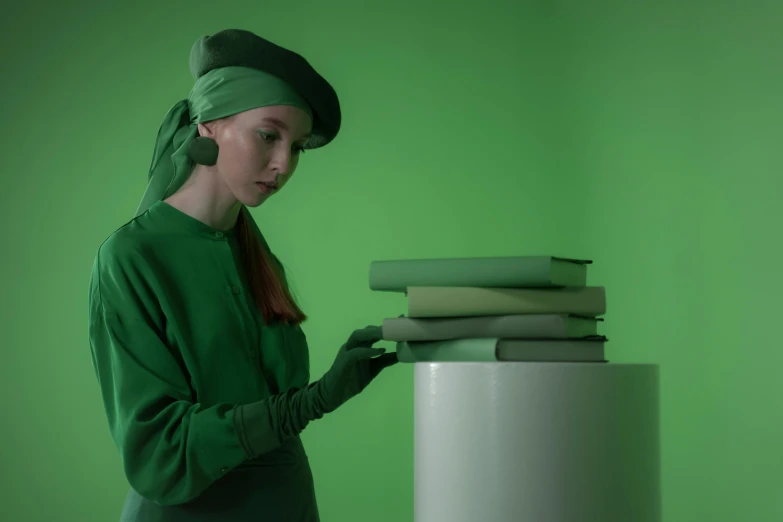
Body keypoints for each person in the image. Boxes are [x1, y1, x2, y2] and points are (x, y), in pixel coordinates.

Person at [87, 29, 398, 522]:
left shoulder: (259, 257)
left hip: (289, 503)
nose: (283, 165)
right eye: (268, 135)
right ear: (209, 124)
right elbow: (160, 451)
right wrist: (312, 402)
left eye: (297, 147)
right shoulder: (131, 258)